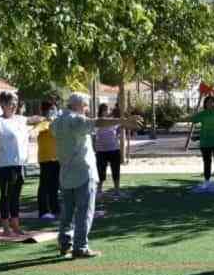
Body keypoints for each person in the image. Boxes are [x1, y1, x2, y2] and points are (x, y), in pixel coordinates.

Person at [51, 93, 142, 258]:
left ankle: (65, 243)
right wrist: (122, 120)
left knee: (67, 212)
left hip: (65, 172)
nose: (87, 109)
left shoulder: (57, 121)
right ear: (79, 105)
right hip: (83, 172)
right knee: (84, 211)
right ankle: (80, 247)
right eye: (85, 106)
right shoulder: (76, 120)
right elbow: (97, 122)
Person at [0, 91, 44, 235]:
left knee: (16, 197)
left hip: (20, 165)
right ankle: (6, 228)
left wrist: (46, 117)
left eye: (15, 102)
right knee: (5, 197)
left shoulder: (20, 119)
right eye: (11, 103)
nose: (14, 105)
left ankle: (16, 225)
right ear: (3, 104)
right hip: (5, 166)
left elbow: (35, 119)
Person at [35, 100, 60, 219]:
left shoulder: (55, 122)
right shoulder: (42, 122)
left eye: (54, 108)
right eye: (52, 109)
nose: (54, 111)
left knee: (54, 186)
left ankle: (55, 209)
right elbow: (38, 129)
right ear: (45, 111)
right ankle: (43, 211)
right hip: (45, 158)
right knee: (44, 186)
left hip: (56, 158)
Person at [94, 103, 122, 196]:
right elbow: (94, 134)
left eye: (107, 110)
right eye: (104, 110)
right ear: (100, 111)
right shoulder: (97, 121)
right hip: (101, 150)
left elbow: (119, 130)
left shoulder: (113, 121)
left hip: (114, 149)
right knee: (100, 171)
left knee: (115, 170)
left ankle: (117, 190)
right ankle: (99, 190)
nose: (106, 112)